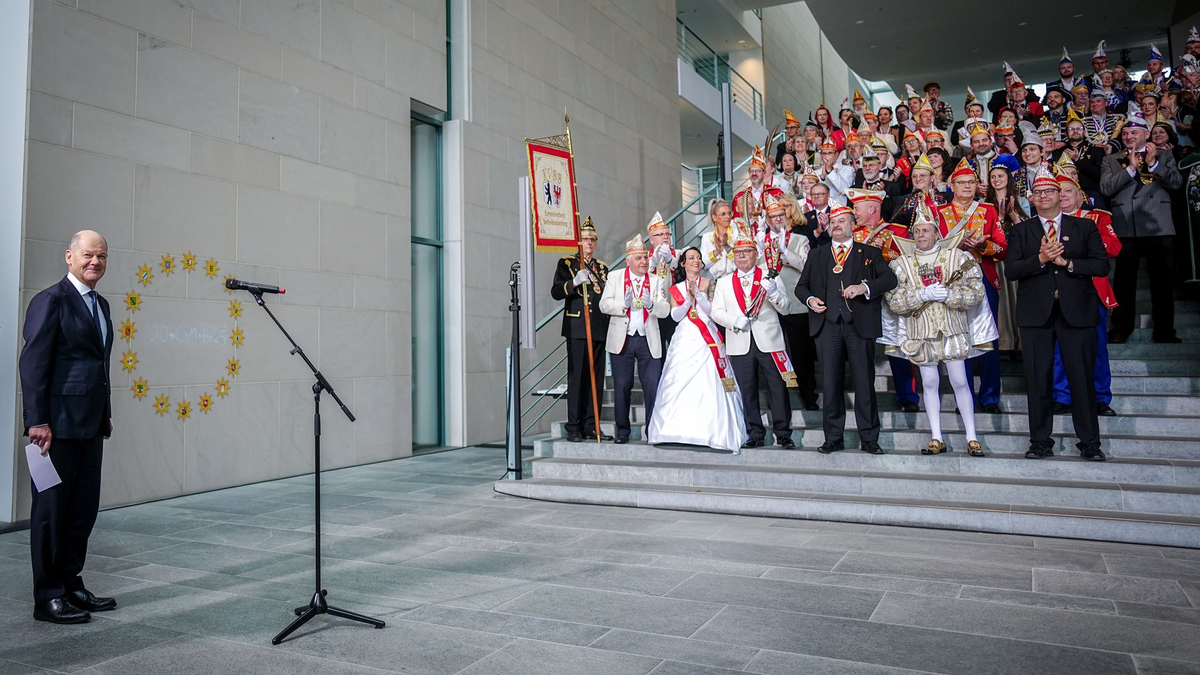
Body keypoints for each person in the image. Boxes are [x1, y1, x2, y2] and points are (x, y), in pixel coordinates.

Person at [18, 230, 118, 624]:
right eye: (88, 255)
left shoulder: (102, 305)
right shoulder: (50, 300)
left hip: (91, 426)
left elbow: (98, 367)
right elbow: (33, 364)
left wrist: (105, 411)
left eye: (102, 257)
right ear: (69, 257)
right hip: (54, 430)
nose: (95, 262)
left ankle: (71, 583)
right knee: (51, 512)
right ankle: (47, 596)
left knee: (81, 510)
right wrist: (37, 421)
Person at [1006, 173, 1110, 461]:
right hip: (1035, 315)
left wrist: (1068, 263)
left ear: (1060, 195)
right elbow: (1011, 271)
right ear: (1032, 198)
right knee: (1038, 379)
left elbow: (1101, 266)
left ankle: (1090, 443)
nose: (1043, 196)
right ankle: (1040, 441)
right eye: (1037, 192)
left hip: (1077, 311)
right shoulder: (1021, 231)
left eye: (1049, 191)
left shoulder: (1084, 226)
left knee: (1081, 379)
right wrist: (1039, 260)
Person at [882, 204, 997, 456]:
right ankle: (936, 436)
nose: (922, 235)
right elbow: (893, 300)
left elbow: (977, 291)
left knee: (959, 380)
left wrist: (950, 294)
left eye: (927, 230)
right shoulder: (901, 264)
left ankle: (972, 437)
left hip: (952, 328)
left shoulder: (958, 258)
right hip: (920, 331)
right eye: (918, 231)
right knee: (930, 382)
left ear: (937, 234)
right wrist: (921, 294)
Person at [796, 203, 898, 454]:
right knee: (830, 385)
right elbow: (801, 287)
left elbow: (890, 279)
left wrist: (865, 288)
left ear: (854, 225)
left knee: (864, 384)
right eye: (833, 222)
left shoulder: (870, 252)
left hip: (859, 327)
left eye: (842, 221)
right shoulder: (817, 254)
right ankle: (833, 438)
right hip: (827, 327)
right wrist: (810, 300)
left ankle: (869, 439)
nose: (837, 225)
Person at [648, 248, 747, 452]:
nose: (696, 260)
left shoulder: (710, 284)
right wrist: (688, 300)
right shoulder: (676, 288)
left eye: (699, 258)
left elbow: (714, 312)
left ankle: (712, 430)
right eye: (691, 258)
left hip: (707, 334)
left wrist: (700, 297)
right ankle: (673, 429)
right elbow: (675, 316)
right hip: (686, 334)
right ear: (682, 263)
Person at [1101, 110, 1185, 343]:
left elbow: (1177, 183)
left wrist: (1153, 164)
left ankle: (1165, 331)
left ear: (1146, 134)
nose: (1128, 136)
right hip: (1126, 226)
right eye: (1126, 132)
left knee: (1162, 283)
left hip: (1158, 225)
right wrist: (1129, 168)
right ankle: (1121, 328)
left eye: (1134, 132)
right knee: (1123, 283)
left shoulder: (1164, 155)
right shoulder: (1112, 159)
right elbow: (1106, 188)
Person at [711, 219, 796, 449]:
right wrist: (734, 320)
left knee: (777, 387)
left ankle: (783, 432)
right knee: (746, 389)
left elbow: (786, 308)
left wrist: (775, 294)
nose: (741, 256)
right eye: (738, 252)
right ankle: (754, 433)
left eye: (747, 252)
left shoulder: (770, 276)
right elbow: (716, 312)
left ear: (755, 253)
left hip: (769, 340)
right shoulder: (724, 282)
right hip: (739, 340)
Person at [938, 160, 1008, 414]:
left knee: (988, 339)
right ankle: (963, 398)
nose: (967, 186)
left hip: (984, 281)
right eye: (962, 182)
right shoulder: (939, 212)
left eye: (971, 182)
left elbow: (1002, 248)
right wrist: (955, 248)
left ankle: (990, 397)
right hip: (951, 283)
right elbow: (930, 250)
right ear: (951, 185)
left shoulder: (988, 211)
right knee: (957, 341)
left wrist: (981, 246)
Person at [1052, 174, 1120, 417]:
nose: (1063, 195)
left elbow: (1113, 247)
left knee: (1097, 347)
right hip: (1058, 291)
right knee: (1060, 347)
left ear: (1081, 196)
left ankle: (1100, 397)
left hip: (1092, 290)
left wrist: (1076, 247)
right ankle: (1062, 396)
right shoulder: (1048, 221)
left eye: (1068, 190)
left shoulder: (1098, 217)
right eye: (1058, 191)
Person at [847, 188, 919, 413]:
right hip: (860, 300)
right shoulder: (853, 234)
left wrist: (886, 253)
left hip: (891, 298)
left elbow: (911, 262)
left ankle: (907, 396)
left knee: (899, 346)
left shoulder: (898, 231)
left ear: (872, 208)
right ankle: (864, 397)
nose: (854, 213)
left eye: (856, 208)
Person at [599, 234, 669, 444]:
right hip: (624, 339)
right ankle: (622, 431)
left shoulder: (657, 280)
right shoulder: (615, 277)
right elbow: (604, 305)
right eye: (638, 258)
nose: (644, 262)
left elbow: (665, 310)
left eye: (646, 258)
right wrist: (622, 305)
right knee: (621, 386)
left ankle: (653, 431)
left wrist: (651, 305)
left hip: (649, 339)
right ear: (628, 260)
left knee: (652, 386)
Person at [550, 217, 611, 442]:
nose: (589, 243)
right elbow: (556, 292)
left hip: (598, 328)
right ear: (578, 242)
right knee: (577, 378)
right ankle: (573, 427)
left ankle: (592, 425)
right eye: (585, 239)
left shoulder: (602, 267)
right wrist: (574, 282)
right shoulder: (567, 263)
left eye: (592, 239)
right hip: (577, 327)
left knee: (596, 379)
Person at [760, 192, 816, 410]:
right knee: (773, 351)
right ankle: (778, 396)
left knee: (801, 352)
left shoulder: (800, 239)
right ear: (767, 220)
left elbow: (807, 267)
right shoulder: (760, 241)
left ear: (787, 216)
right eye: (772, 217)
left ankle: (808, 394)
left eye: (781, 215)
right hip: (768, 305)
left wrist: (785, 253)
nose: (777, 220)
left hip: (795, 303)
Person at [986, 165, 1029, 352]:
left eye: (1000, 176)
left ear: (1008, 178)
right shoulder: (984, 204)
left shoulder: (1022, 201)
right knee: (1002, 302)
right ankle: (1005, 342)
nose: (996, 179)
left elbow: (1027, 231)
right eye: (993, 177)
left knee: (1018, 299)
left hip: (1017, 256)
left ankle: (1021, 343)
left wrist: (1011, 214)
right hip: (995, 258)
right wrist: (1000, 218)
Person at [733, 145, 785, 233]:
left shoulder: (776, 193)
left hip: (771, 234)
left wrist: (763, 213)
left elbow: (782, 217)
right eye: (751, 171)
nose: (754, 174)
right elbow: (736, 221)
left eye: (758, 171)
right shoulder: (740, 196)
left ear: (764, 172)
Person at [646, 211, 678, 352]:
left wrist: (670, 260)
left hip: (674, 308)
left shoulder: (679, 253)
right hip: (654, 310)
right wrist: (652, 263)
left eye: (667, 234)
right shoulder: (643, 257)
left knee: (675, 348)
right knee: (657, 351)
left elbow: (683, 274)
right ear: (651, 239)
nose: (665, 236)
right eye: (660, 234)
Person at [892, 153, 949, 226]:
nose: (918, 179)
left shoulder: (947, 198)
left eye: (922, 175)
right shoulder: (902, 200)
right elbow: (895, 224)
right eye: (914, 176)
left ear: (932, 177)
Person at [701, 198, 737, 280]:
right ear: (714, 217)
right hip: (714, 281)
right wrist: (716, 252)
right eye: (723, 214)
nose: (728, 217)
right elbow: (703, 265)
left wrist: (726, 247)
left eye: (729, 213)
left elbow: (743, 260)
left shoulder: (738, 233)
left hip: (734, 278)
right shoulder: (706, 237)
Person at [799, 182, 834, 249]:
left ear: (828, 195)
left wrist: (827, 227)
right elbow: (803, 241)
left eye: (820, 194)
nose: (816, 197)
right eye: (813, 194)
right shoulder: (805, 217)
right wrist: (816, 233)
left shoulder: (836, 213)